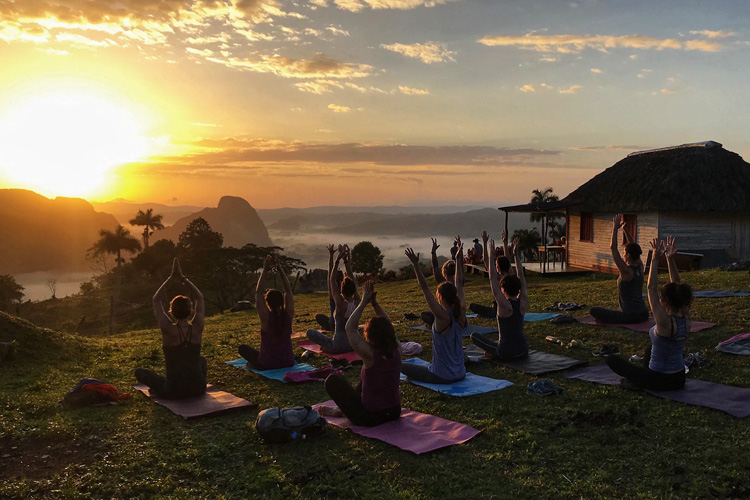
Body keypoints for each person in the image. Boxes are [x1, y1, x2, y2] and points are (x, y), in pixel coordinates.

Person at [605, 237, 693, 390]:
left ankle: (640, 383)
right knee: (649, 350)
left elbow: (651, 287)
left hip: (660, 380)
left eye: (661, 298)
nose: (658, 299)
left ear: (665, 302)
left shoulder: (665, 322)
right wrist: (670, 259)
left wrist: (654, 259)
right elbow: (678, 288)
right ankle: (641, 379)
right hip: (679, 379)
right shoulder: (686, 318)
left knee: (612, 360)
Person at [320, 281, 402, 426]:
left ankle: (340, 410)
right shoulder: (398, 349)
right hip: (395, 411)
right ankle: (340, 409)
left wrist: (363, 302)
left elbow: (350, 328)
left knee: (332, 381)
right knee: (367, 378)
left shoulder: (370, 354)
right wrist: (375, 304)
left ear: (370, 336)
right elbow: (388, 324)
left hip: (370, 417)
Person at [135, 258, 207, 399]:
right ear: (190, 310)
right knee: (201, 360)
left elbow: (156, 299)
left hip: (174, 390)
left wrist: (170, 278)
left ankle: (160, 390)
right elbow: (200, 297)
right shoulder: (198, 327)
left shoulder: (168, 329)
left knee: (140, 372)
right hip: (198, 388)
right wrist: (183, 278)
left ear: (171, 311)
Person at [401, 240, 467, 384]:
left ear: (440, 297)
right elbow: (459, 284)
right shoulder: (461, 312)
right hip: (460, 373)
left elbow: (425, 288)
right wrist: (458, 260)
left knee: (400, 365)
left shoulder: (442, 316)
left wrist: (416, 265)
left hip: (442, 376)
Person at [470, 235, 529, 360]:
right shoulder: (523, 302)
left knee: (474, 336)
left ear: (503, 289)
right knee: (495, 342)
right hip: (524, 350)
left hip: (506, 352)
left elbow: (492, 278)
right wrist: (516, 255)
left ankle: (493, 353)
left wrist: (491, 256)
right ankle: (494, 350)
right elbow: (522, 278)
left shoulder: (504, 304)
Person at [238, 255, 295, 370]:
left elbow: (258, 293)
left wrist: (264, 270)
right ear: (281, 301)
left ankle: (254, 364)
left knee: (242, 348)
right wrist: (280, 269)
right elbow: (288, 290)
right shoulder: (288, 314)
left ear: (267, 302)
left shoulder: (266, 317)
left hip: (268, 363)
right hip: (288, 361)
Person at [589, 214, 649, 324]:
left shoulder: (627, 271)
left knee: (594, 311)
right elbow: (633, 246)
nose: (623, 254)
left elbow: (613, 248)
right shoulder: (640, 267)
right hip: (644, 313)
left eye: (624, 253)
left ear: (628, 256)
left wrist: (615, 228)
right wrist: (625, 229)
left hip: (631, 316)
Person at [306, 244, 360, 353]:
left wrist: (337, 261)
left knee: (310, 332)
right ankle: (328, 347)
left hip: (338, 346)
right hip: (355, 345)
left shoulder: (340, 304)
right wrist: (346, 261)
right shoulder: (357, 302)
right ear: (354, 290)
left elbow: (332, 280)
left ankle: (327, 347)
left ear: (342, 290)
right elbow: (352, 280)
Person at [469, 230, 512, 318]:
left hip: (497, 310)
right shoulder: (510, 274)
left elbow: (485, 261)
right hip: (509, 307)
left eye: (496, 265)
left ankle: (483, 314)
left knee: (472, 306)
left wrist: (485, 243)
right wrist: (504, 243)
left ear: (498, 267)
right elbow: (508, 260)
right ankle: (482, 314)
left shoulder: (498, 277)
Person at [421, 237, 457, 326]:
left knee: (424, 315)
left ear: (444, 271)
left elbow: (435, 269)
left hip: (445, 317)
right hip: (457, 317)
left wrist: (433, 252)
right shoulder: (458, 282)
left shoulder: (444, 283)